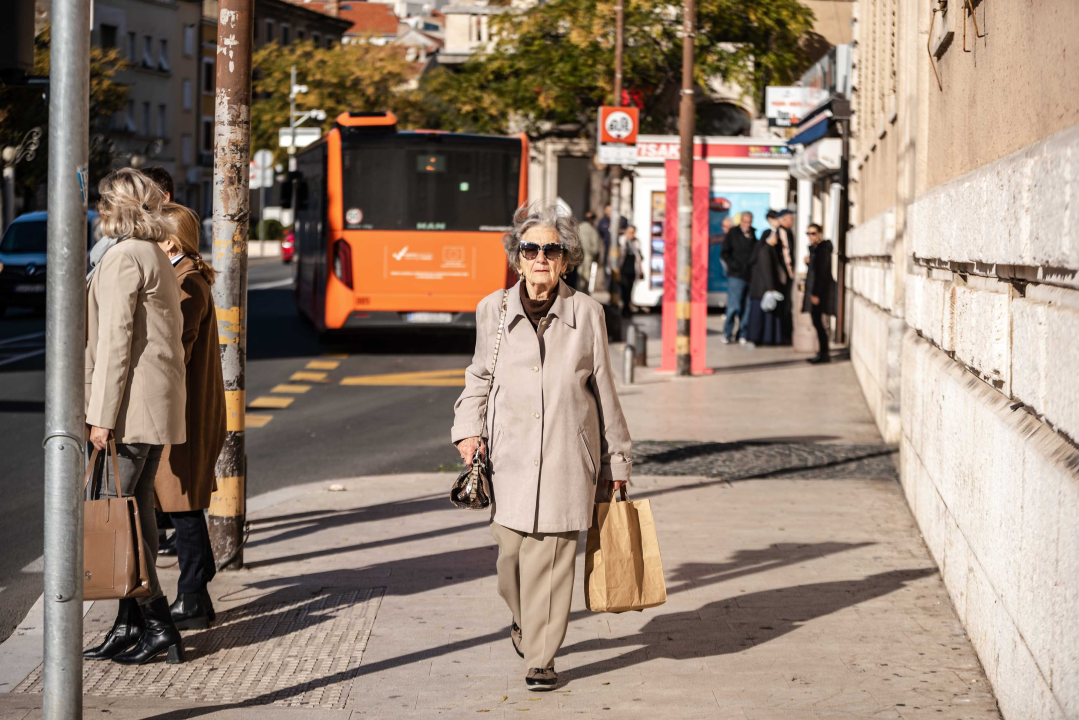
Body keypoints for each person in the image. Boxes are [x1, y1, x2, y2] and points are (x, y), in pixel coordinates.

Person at [452, 202, 632, 692]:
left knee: (552, 564)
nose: (540, 258)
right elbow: (479, 377)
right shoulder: (493, 309)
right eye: (530, 249)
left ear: (565, 261)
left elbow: (605, 390)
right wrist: (468, 430)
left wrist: (617, 459)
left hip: (567, 459)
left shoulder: (587, 313)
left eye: (551, 250)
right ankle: (523, 619)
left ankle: (542, 656)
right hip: (508, 459)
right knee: (509, 562)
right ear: (516, 259)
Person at [83, 168, 187, 665]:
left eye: (105, 201)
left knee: (124, 520)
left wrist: (100, 416)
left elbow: (115, 344)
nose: (100, 209)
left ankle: (159, 623)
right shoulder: (152, 253)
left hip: (129, 412)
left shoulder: (125, 256)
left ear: (119, 206)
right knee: (136, 513)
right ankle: (129, 625)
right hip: (151, 405)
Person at [155, 203, 227, 629]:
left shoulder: (187, 283)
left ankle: (193, 590)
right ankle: (195, 594)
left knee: (182, 504)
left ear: (170, 241)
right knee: (181, 503)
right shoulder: (186, 277)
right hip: (186, 411)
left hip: (187, 414)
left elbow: (175, 352)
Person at [745, 225, 789, 346]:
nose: (777, 239)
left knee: (764, 316)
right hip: (763, 289)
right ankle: (761, 337)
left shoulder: (769, 249)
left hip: (763, 289)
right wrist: (770, 288)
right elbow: (767, 270)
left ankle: (766, 337)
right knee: (761, 316)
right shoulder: (765, 250)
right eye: (775, 236)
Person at [719, 211, 757, 344]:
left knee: (747, 307)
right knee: (733, 306)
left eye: (749, 222)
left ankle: (742, 333)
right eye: (745, 222)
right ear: (741, 221)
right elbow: (724, 253)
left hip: (750, 276)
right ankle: (727, 332)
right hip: (736, 276)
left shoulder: (753, 234)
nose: (748, 225)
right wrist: (733, 266)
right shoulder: (733, 233)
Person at [802, 223, 835, 364]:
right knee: (816, 322)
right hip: (814, 291)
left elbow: (822, 274)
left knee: (818, 322)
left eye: (813, 233)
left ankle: (824, 354)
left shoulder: (822, 250)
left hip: (819, 292)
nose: (811, 236)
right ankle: (821, 352)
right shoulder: (815, 250)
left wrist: (816, 294)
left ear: (820, 234)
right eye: (808, 233)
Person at [617, 225, 643, 317]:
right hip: (623, 267)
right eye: (630, 232)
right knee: (624, 288)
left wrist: (640, 270)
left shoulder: (636, 242)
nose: (631, 234)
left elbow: (639, 257)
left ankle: (627, 308)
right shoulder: (622, 240)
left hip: (632, 268)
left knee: (630, 288)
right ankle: (625, 308)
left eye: (633, 232)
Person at [577, 210, 602, 293]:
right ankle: (585, 294)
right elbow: (596, 247)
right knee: (587, 276)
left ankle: (578, 293)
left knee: (579, 275)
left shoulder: (579, 227)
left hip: (578, 255)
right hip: (588, 255)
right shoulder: (592, 230)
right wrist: (596, 256)